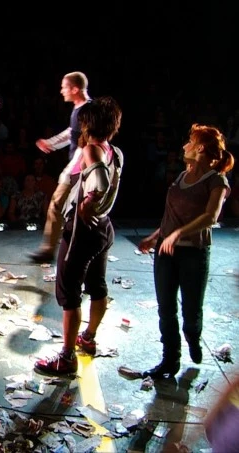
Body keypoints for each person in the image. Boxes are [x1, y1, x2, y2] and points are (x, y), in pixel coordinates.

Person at [34, 96, 124, 376]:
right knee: (97, 286)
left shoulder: (91, 150)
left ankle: (66, 357)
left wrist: (88, 201)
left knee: (69, 292)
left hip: (82, 231)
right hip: (103, 227)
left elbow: (100, 181)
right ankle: (88, 337)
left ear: (87, 123)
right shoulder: (115, 151)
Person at [138, 124, 233, 379]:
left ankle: (193, 337)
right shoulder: (181, 176)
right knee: (166, 309)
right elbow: (171, 217)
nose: (184, 146)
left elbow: (211, 216)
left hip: (193, 253)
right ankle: (170, 360)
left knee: (191, 314)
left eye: (189, 142)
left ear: (200, 148)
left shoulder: (216, 181)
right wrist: (155, 236)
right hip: (165, 251)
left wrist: (179, 234)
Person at [28, 72, 91, 263]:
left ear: (75, 89)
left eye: (65, 87)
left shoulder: (87, 111)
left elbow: (85, 145)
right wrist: (51, 143)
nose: (62, 90)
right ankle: (60, 250)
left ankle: (50, 250)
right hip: (79, 167)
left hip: (81, 168)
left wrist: (69, 171)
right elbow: (72, 133)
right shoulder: (79, 109)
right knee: (70, 209)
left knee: (58, 204)